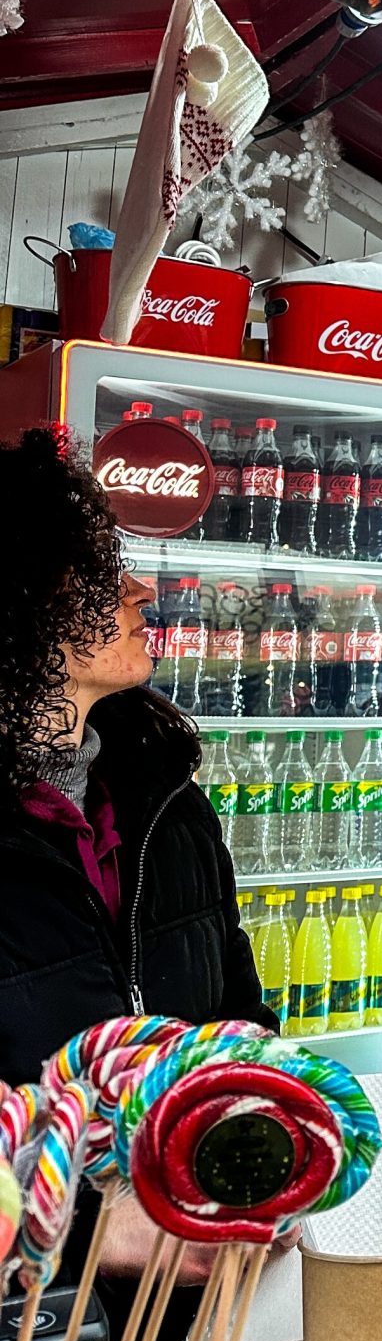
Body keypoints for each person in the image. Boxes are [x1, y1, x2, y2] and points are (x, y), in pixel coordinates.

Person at [0, 432, 271, 1270]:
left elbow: (236, 1020)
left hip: (185, 1325)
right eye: (96, 572)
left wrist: (253, 1145)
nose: (140, 589)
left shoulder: (167, 799)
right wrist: (89, 1234)